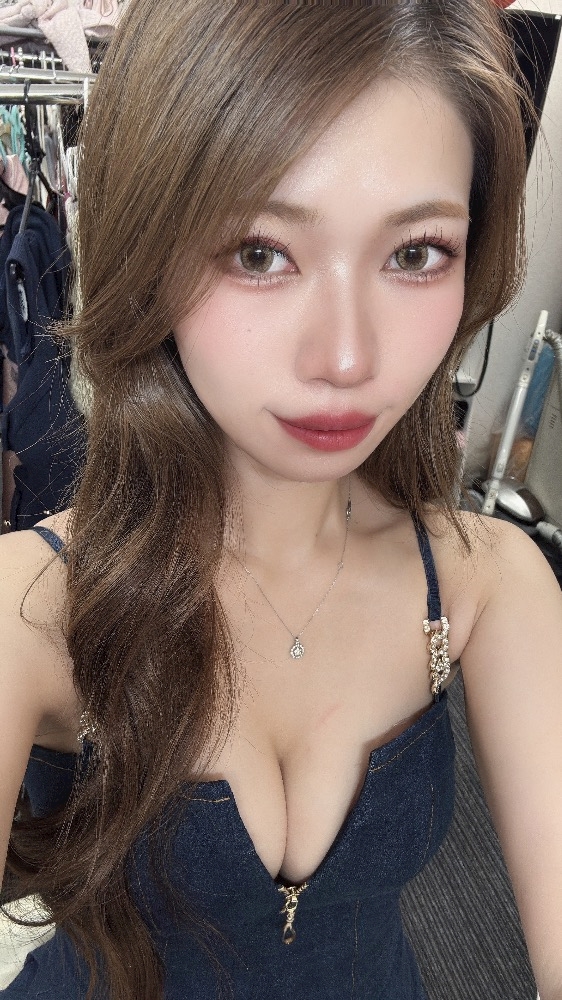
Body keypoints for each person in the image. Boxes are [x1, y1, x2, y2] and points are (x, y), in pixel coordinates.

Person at [1, 1, 562, 998]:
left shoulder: (490, 585)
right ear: (148, 250)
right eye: (259, 252)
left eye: (415, 252)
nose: (346, 357)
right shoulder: (28, 611)